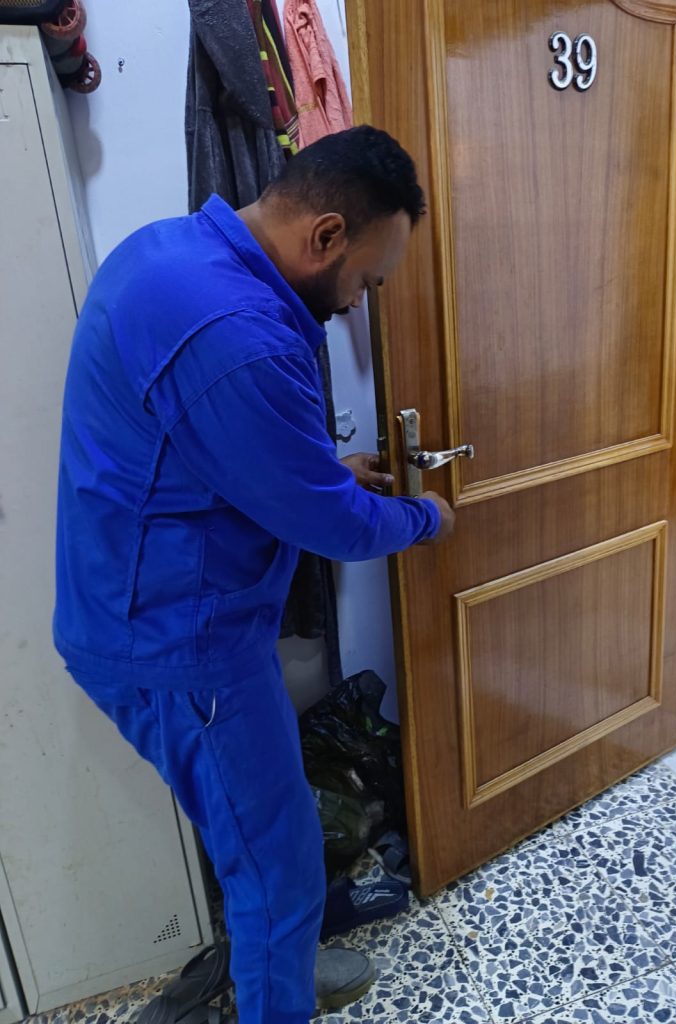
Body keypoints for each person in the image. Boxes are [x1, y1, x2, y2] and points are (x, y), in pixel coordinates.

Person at [53, 125, 454, 1024]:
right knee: (280, 865)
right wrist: (428, 518)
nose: (356, 305)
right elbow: (334, 526)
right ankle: (280, 992)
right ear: (326, 235)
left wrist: (313, 467)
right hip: (180, 649)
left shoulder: (168, 255)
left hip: (138, 613)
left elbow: (209, 444)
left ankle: (281, 968)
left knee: (253, 839)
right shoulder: (241, 336)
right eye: (366, 282)